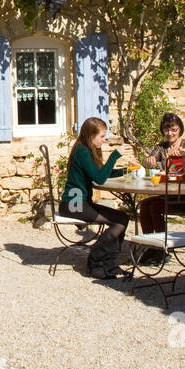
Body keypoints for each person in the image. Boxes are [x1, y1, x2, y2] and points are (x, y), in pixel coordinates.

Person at [59, 117, 132, 280]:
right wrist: (115, 155)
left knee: (122, 218)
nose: (104, 140)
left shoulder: (85, 149)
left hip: (80, 202)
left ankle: (110, 263)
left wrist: (126, 171)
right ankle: (96, 262)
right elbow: (99, 178)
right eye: (102, 137)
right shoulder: (82, 151)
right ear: (91, 136)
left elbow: (99, 173)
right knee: (119, 222)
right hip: (74, 204)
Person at [139, 112, 185, 236]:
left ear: (180, 129)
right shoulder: (161, 147)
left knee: (154, 207)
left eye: (173, 130)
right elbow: (148, 160)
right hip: (168, 195)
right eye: (166, 130)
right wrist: (148, 161)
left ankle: (162, 247)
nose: (170, 133)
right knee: (145, 204)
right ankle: (151, 243)